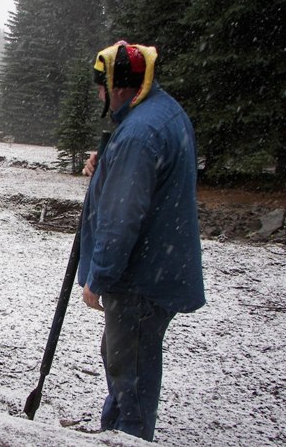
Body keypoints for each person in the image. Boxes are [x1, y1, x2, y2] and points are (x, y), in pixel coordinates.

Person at [78, 41, 205, 441]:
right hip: (157, 270)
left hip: (138, 278)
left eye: (102, 86)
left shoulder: (138, 133)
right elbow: (142, 180)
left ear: (119, 85)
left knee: (128, 372)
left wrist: (98, 276)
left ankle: (127, 436)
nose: (99, 93)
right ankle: (114, 431)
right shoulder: (159, 114)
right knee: (129, 364)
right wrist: (108, 162)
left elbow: (121, 218)